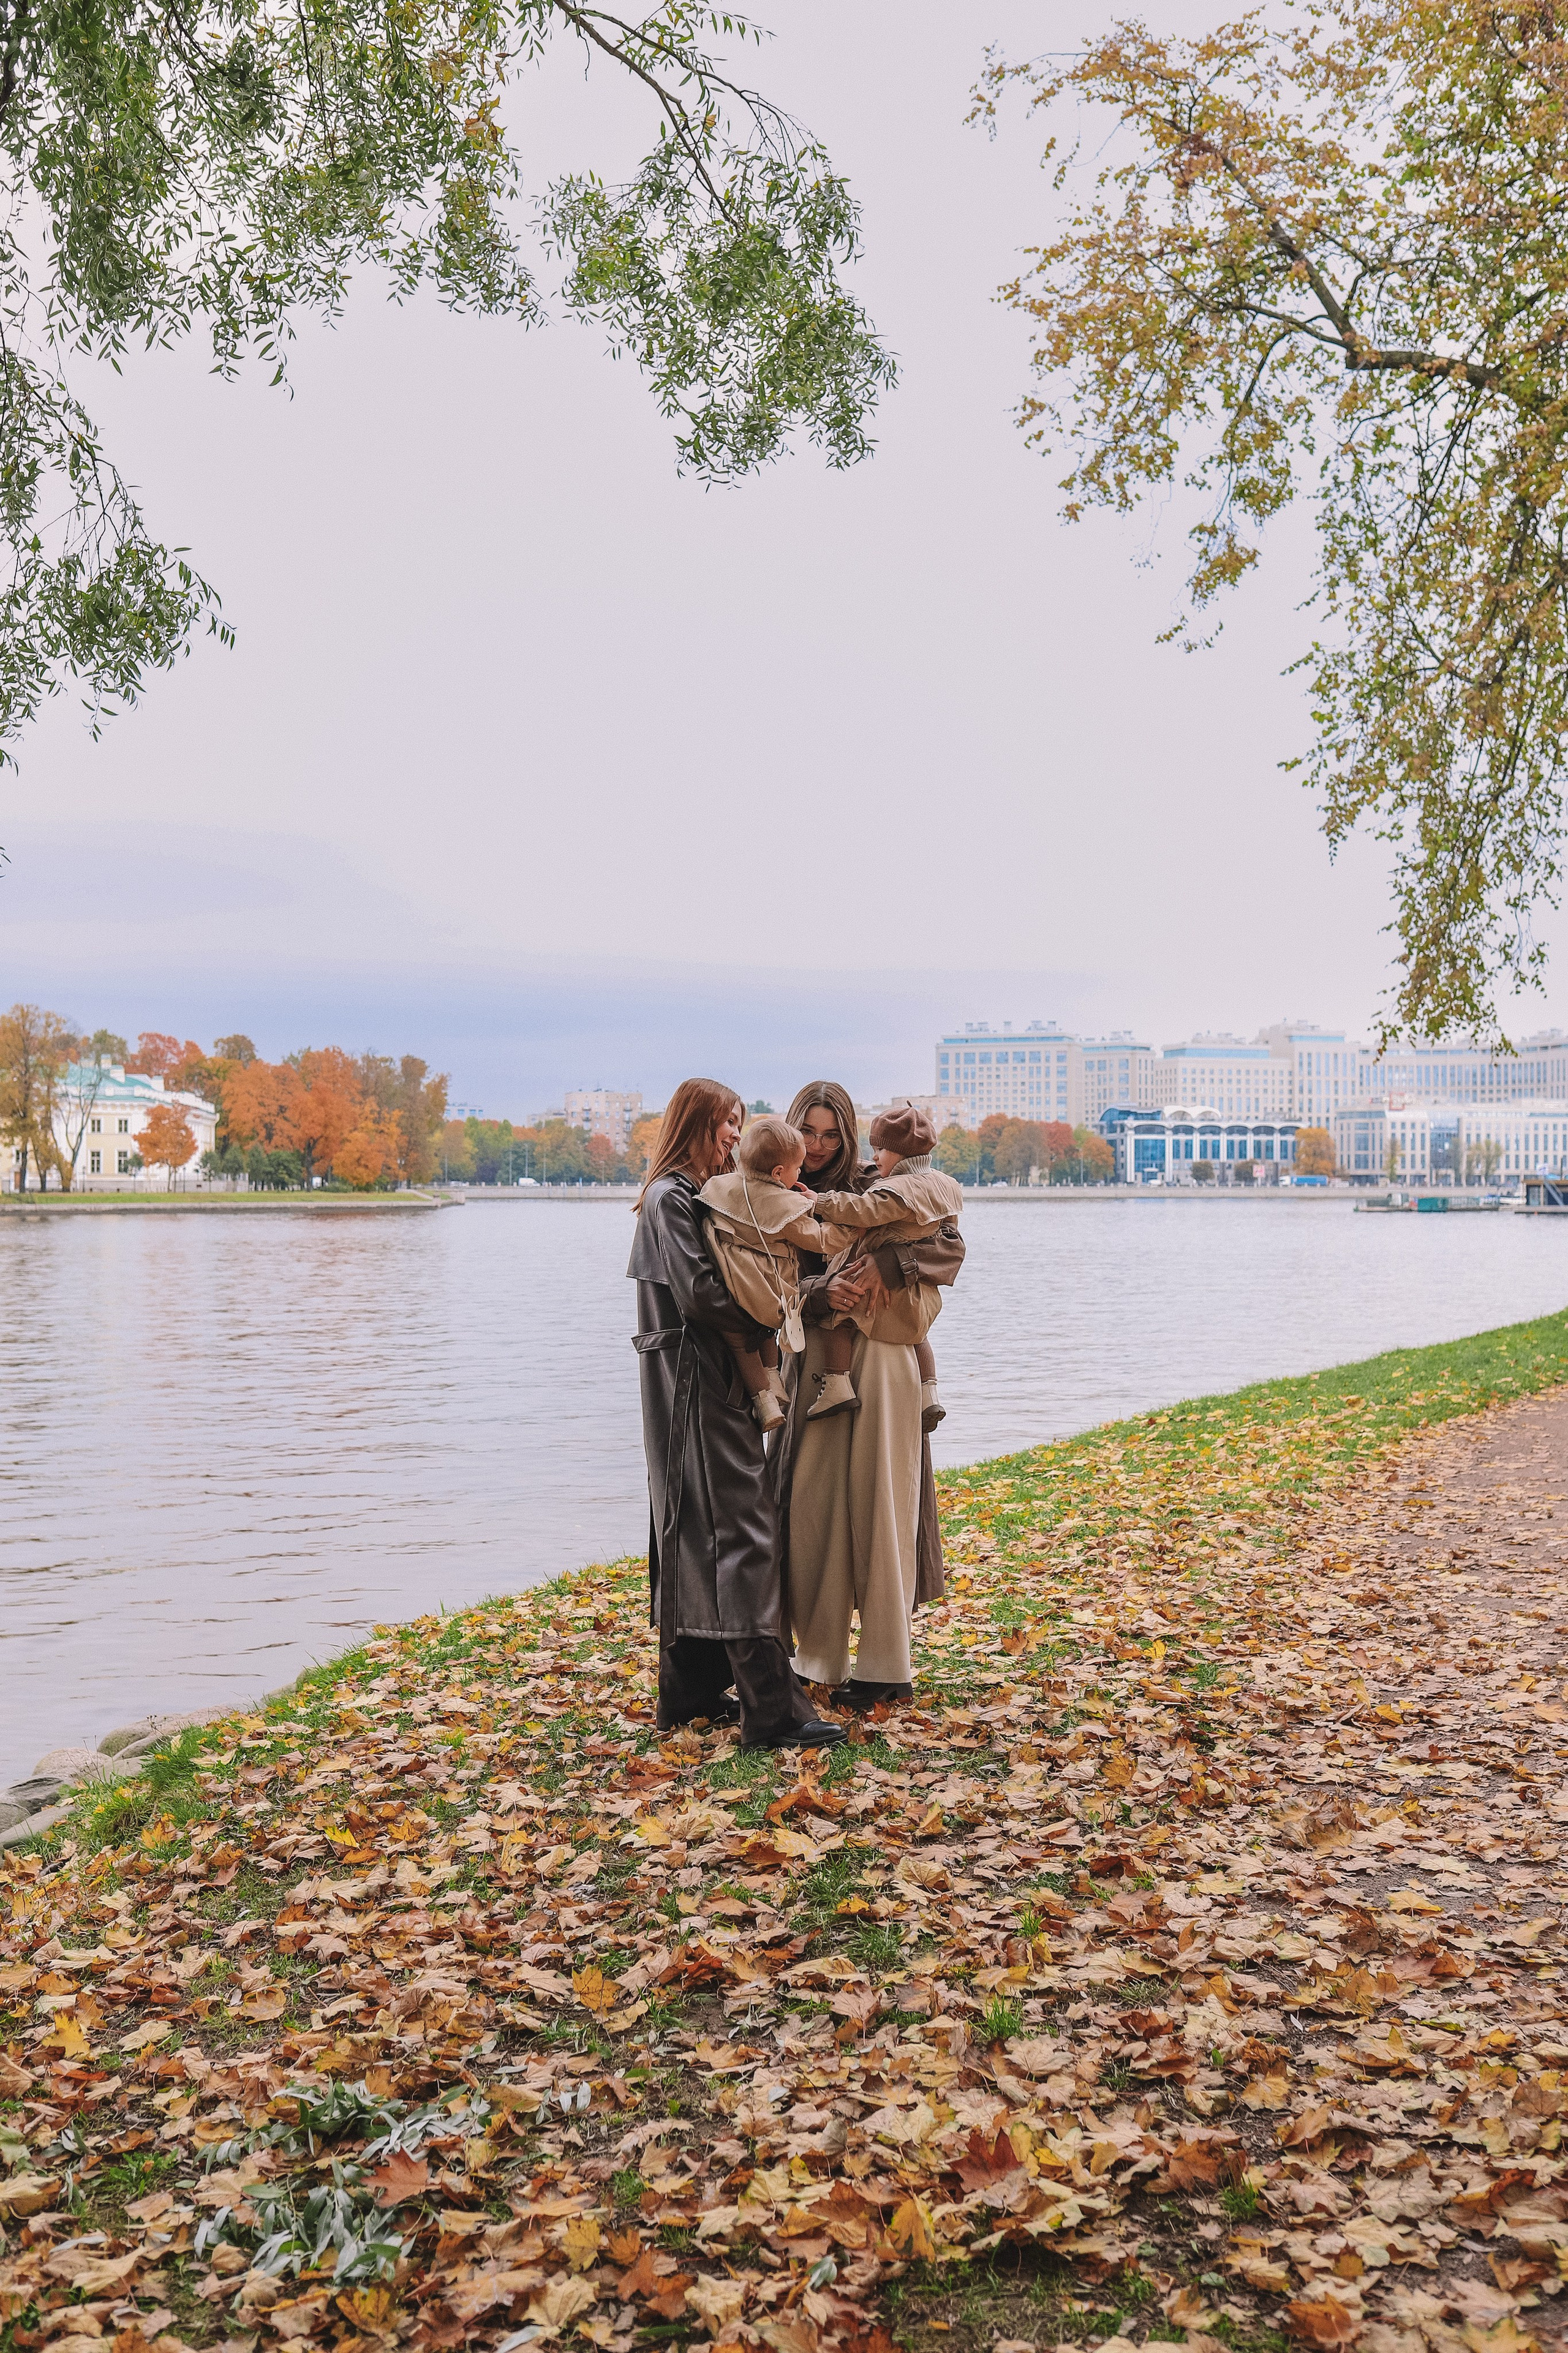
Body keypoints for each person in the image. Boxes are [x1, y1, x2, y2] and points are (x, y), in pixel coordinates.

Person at [628, 1078, 845, 1751]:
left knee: (695, 1525)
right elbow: (701, 1293)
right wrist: (778, 1312)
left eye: (740, 1120)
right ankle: (772, 1710)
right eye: (727, 1120)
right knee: (745, 1528)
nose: (734, 1133)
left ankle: (689, 1689)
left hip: (695, 1377)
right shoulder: (671, 1198)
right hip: (696, 1381)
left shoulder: (696, 1194)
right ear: (695, 1122)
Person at [775, 1082, 964, 1709]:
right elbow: (756, 1286)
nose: (819, 1145)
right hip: (817, 1362)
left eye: (832, 1134)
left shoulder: (874, 1186)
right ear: (791, 1130)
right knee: (813, 1512)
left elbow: (949, 1245)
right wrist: (820, 1294)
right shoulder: (767, 1193)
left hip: (883, 1354)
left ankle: (886, 1666)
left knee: (883, 1505)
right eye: (809, 1132)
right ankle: (816, 1657)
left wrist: (889, 1268)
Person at [798, 1103, 961, 1426]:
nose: (874, 1157)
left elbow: (865, 1210)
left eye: (881, 1149)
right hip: (917, 1292)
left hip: (878, 1293)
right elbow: (948, 1232)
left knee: (839, 1320)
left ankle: (837, 1385)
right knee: (918, 1335)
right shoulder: (943, 1185)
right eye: (807, 1133)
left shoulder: (893, 1188)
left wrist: (820, 1201)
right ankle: (929, 1391)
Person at [697, 1114, 827, 1433]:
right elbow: (820, 1239)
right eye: (798, 1167)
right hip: (765, 1285)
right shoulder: (782, 1203)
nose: (801, 1173)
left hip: (730, 1278)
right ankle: (770, 1388)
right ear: (779, 1173)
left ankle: (765, 1398)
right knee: (766, 1327)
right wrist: (851, 1229)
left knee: (740, 1342)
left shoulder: (722, 1186)